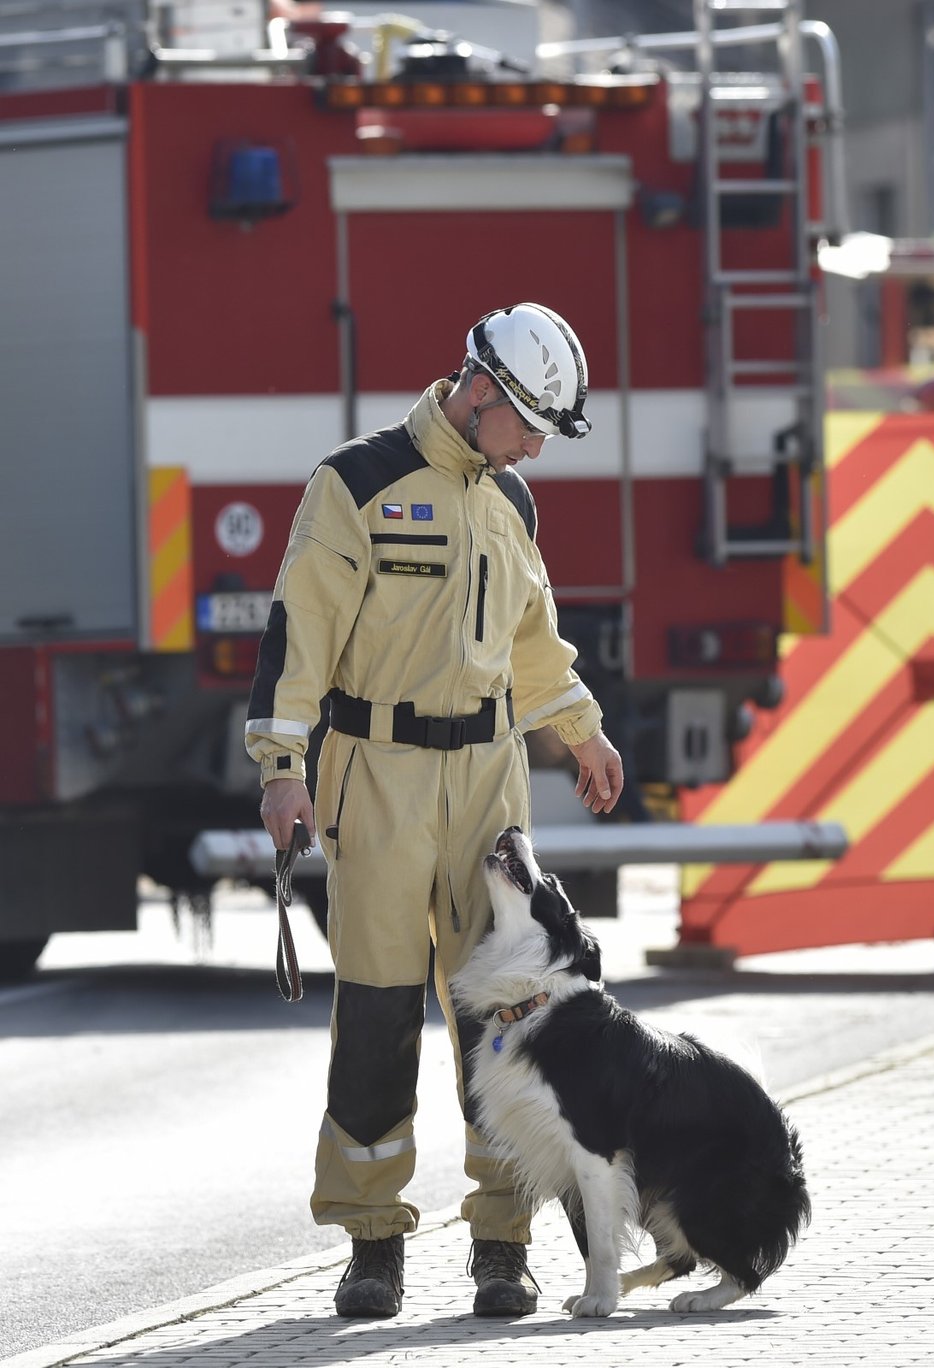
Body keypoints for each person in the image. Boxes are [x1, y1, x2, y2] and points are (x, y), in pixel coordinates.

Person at [245, 302, 624, 1320]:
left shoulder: (512, 502)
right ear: (485, 394)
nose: (540, 447)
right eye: (534, 425)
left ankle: (502, 1241)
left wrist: (580, 731)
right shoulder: (355, 484)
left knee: (499, 1017)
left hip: (489, 782)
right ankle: (373, 1242)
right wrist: (283, 767)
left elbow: (533, 640)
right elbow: (301, 635)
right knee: (375, 1010)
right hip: (375, 774)